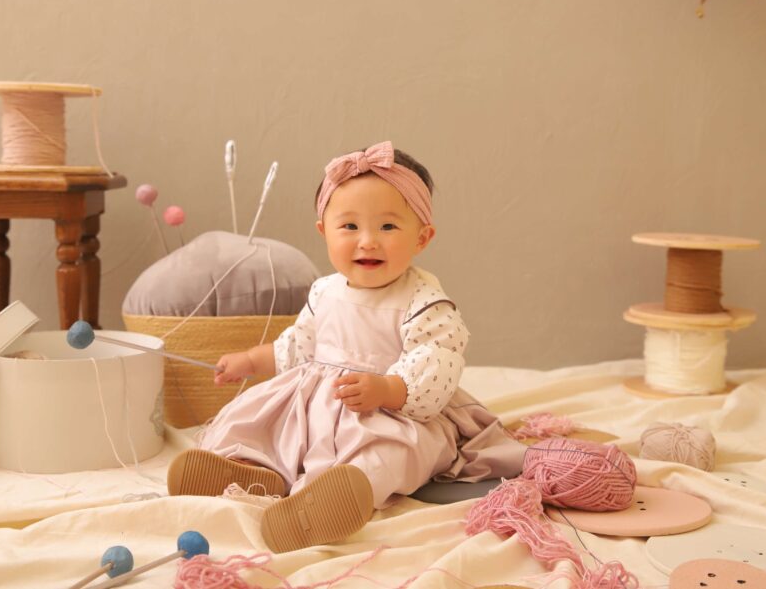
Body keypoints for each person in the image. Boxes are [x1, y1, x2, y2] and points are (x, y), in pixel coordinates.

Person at [167, 141, 525, 553]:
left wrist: (387, 389)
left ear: (422, 237)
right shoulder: (325, 291)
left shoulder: (424, 302)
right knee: (263, 425)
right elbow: (297, 348)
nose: (368, 241)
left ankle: (344, 494)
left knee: (393, 453)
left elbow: (435, 367)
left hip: (390, 411)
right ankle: (249, 470)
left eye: (388, 227)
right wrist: (249, 361)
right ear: (324, 231)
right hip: (316, 407)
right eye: (350, 226)